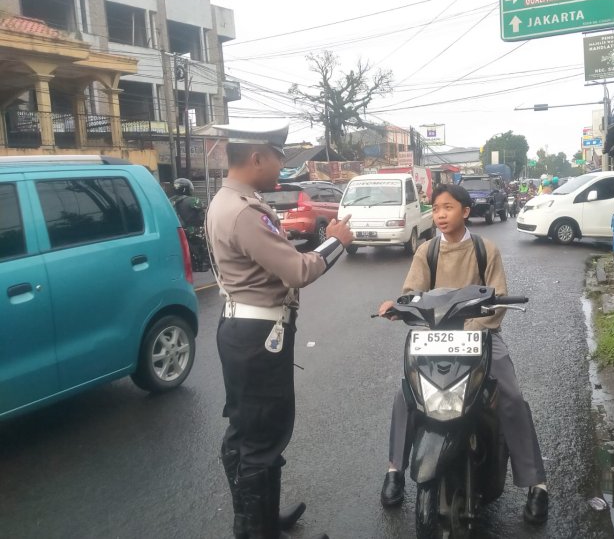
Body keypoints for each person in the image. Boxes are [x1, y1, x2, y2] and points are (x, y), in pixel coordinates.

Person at [205, 123, 353, 539]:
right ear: (256, 158)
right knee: (262, 437)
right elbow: (297, 270)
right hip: (258, 337)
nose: (281, 167)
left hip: (242, 328)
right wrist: (336, 240)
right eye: (278, 158)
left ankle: (258, 520)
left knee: (247, 430)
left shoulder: (226, 200)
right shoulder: (245, 211)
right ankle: (259, 531)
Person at [377, 184, 549, 525]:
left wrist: (472, 328)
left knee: (511, 396)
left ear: (465, 211)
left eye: (448, 207)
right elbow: (411, 293)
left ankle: (536, 483)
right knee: (406, 393)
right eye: (436, 208)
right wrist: (399, 306)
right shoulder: (426, 251)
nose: (440, 214)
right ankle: (395, 468)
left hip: (481, 337)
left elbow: (498, 297)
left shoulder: (486, 250)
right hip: (436, 338)